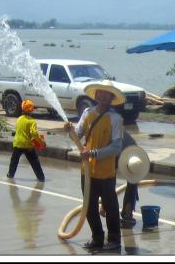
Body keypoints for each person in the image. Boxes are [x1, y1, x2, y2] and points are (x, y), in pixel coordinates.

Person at [64, 80, 125, 251]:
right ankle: (97, 238)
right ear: (96, 95)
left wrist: (92, 153)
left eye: (106, 93)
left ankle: (114, 240)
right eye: (100, 92)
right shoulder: (87, 112)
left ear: (112, 97)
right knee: (89, 206)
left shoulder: (115, 119)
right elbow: (78, 135)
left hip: (106, 171)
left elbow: (116, 147)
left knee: (110, 207)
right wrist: (70, 131)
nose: (102, 95)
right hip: (88, 170)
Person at [100, 130, 139, 228]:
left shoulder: (134, 160)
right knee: (109, 179)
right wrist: (104, 203)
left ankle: (127, 212)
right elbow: (108, 176)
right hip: (117, 148)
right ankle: (110, 208)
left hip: (131, 152)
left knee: (133, 182)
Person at [7, 100, 46, 181]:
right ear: (31, 110)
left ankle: (10, 176)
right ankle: (41, 178)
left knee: (14, 162)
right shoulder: (32, 121)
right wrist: (42, 142)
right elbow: (34, 133)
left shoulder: (19, 119)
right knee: (35, 163)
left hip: (17, 144)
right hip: (28, 146)